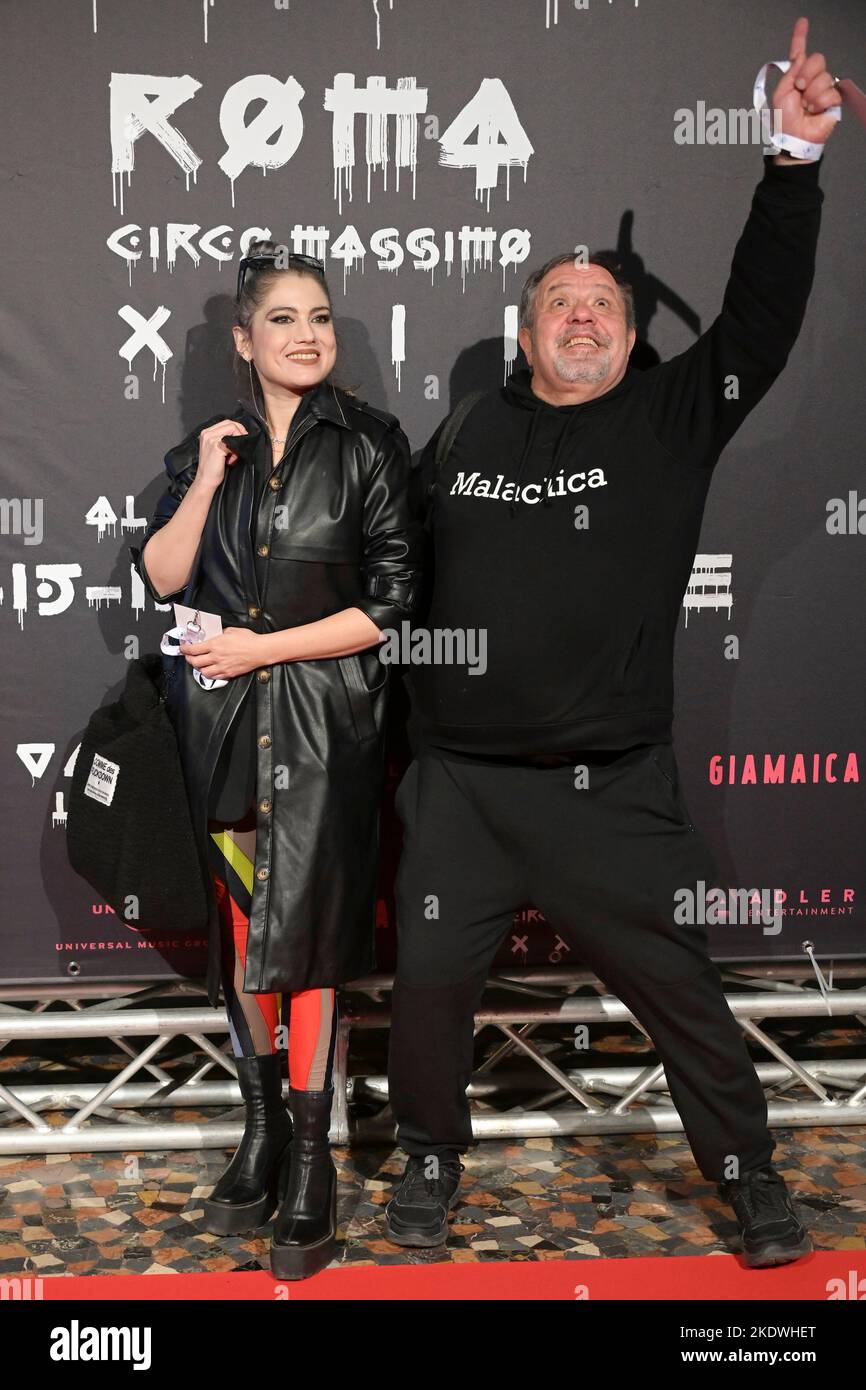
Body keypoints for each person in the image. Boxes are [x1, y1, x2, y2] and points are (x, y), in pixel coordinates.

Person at [384, 17, 838, 1268]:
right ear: (524, 335)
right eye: (556, 304)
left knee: (685, 999)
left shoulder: (672, 416)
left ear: (632, 338)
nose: (580, 317)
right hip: (461, 788)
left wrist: (786, 165)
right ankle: (426, 1163)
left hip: (609, 787)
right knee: (424, 993)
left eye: (601, 305)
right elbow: (394, 574)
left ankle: (747, 1180)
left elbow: (757, 320)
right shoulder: (467, 429)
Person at [130, 242, 422, 1280]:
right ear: (245, 341)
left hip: (324, 726)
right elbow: (166, 573)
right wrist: (206, 476)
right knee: (249, 929)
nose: (308, 334)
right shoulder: (208, 450)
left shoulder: (372, 444)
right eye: (285, 318)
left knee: (311, 937)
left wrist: (263, 647)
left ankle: (311, 1162)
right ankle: (261, 1125)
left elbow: (388, 607)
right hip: (218, 726)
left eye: (321, 317)